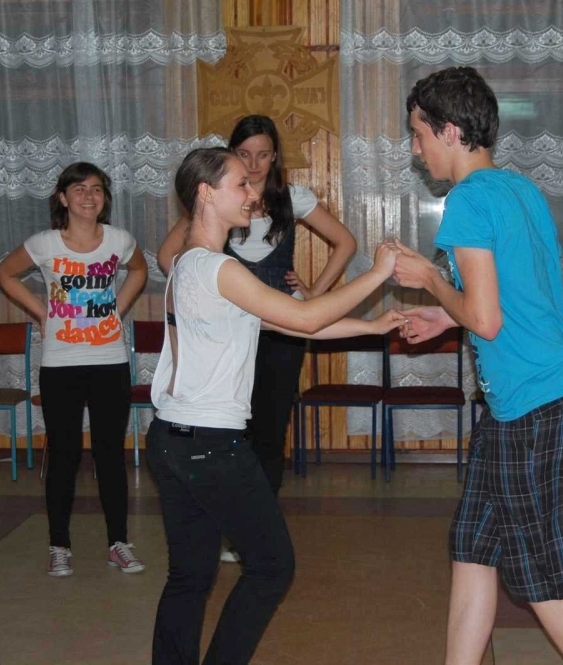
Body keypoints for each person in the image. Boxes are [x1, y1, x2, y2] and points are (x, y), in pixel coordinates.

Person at [393, 67, 563, 665]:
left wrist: (430, 280)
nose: (415, 149)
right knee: (473, 545)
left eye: (418, 134)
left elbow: (486, 320)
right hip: (531, 401)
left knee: (540, 576)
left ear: (450, 131)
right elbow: (517, 298)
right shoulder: (518, 189)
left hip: (534, 405)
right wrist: (445, 316)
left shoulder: (466, 200)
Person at [147, 147, 403, 665]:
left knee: (190, 576)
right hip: (209, 445)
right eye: (241, 184)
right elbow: (305, 319)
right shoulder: (218, 268)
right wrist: (379, 274)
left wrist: (374, 326)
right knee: (271, 567)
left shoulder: (190, 266)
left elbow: (291, 322)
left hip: (171, 439)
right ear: (205, 193)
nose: (253, 193)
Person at [158, 116, 356, 524]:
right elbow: (166, 258)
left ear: (275, 157)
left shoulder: (292, 198)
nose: (253, 165)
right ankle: (233, 519)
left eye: (263, 155)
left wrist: (315, 292)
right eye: (244, 155)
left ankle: (260, 515)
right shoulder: (214, 203)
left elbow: (345, 242)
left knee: (271, 425)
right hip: (230, 324)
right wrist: (199, 291)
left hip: (281, 325)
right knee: (233, 426)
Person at [0, 162, 148, 577]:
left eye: (96, 189)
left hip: (109, 361)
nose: (88, 196)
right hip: (61, 363)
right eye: (78, 189)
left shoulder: (118, 240)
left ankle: (118, 543)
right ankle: (59, 545)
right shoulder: (45, 243)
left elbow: (140, 269)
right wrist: (40, 312)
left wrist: (118, 307)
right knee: (63, 455)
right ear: (62, 198)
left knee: (109, 455)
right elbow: (4, 273)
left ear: (105, 198)